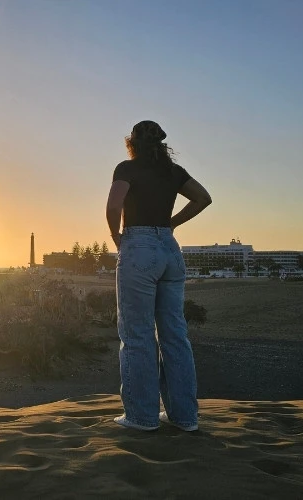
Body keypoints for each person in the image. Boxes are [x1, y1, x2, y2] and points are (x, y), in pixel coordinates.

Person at [105, 120, 212, 431]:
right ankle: (185, 417)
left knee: (137, 335)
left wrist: (118, 238)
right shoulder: (173, 172)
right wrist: (172, 223)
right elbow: (203, 198)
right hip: (169, 249)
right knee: (175, 336)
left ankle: (141, 417)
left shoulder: (127, 168)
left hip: (139, 246)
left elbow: (113, 206)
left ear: (132, 142)